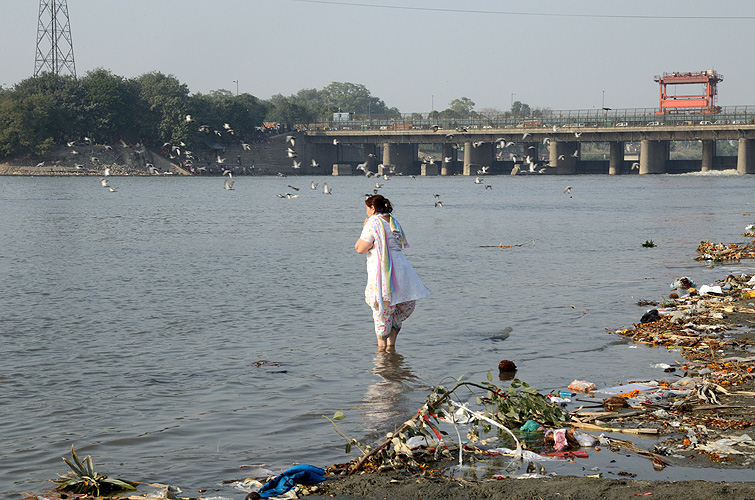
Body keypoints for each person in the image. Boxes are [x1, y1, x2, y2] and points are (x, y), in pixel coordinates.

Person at [355, 195, 430, 350]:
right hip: (403, 272)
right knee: (396, 309)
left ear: (373, 208)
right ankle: (392, 349)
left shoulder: (373, 222)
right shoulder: (393, 222)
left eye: (367, 208)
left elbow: (360, 248)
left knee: (382, 309)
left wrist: (364, 228)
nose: (367, 212)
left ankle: (382, 354)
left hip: (384, 273)